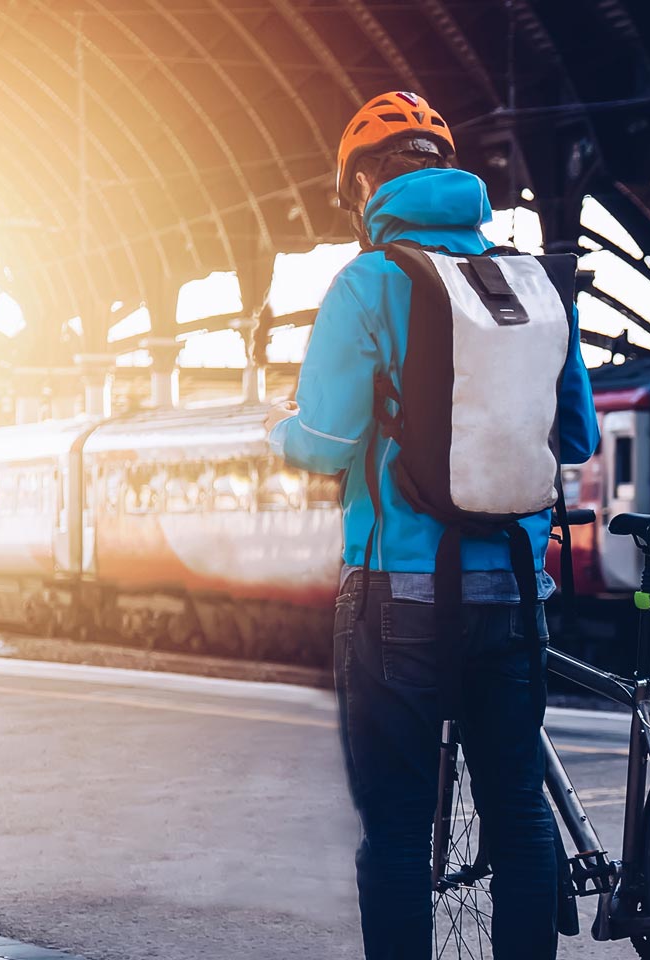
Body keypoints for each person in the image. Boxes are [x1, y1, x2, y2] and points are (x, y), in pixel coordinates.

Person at [265, 90, 598, 959]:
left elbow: (328, 442)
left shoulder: (369, 282)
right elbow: (579, 436)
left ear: (366, 185)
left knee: (401, 833)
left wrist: (281, 435)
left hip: (397, 600)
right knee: (521, 813)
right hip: (517, 592)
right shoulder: (534, 282)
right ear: (447, 169)